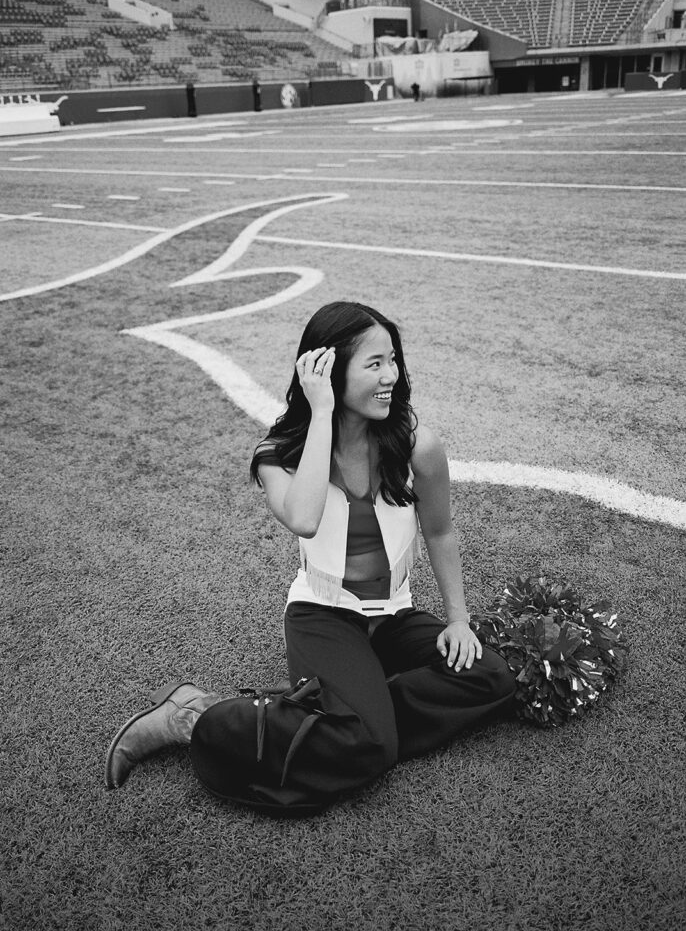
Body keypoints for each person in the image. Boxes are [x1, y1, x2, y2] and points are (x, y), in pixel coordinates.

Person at [105, 302, 516, 814]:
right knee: (371, 746)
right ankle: (196, 715)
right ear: (325, 371)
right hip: (323, 615)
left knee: (491, 677)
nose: (391, 375)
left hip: (394, 615)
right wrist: (322, 412)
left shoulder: (417, 446)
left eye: (393, 360)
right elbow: (303, 519)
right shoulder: (277, 454)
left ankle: (351, 708)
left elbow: (440, 531)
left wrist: (458, 619)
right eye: (374, 364)